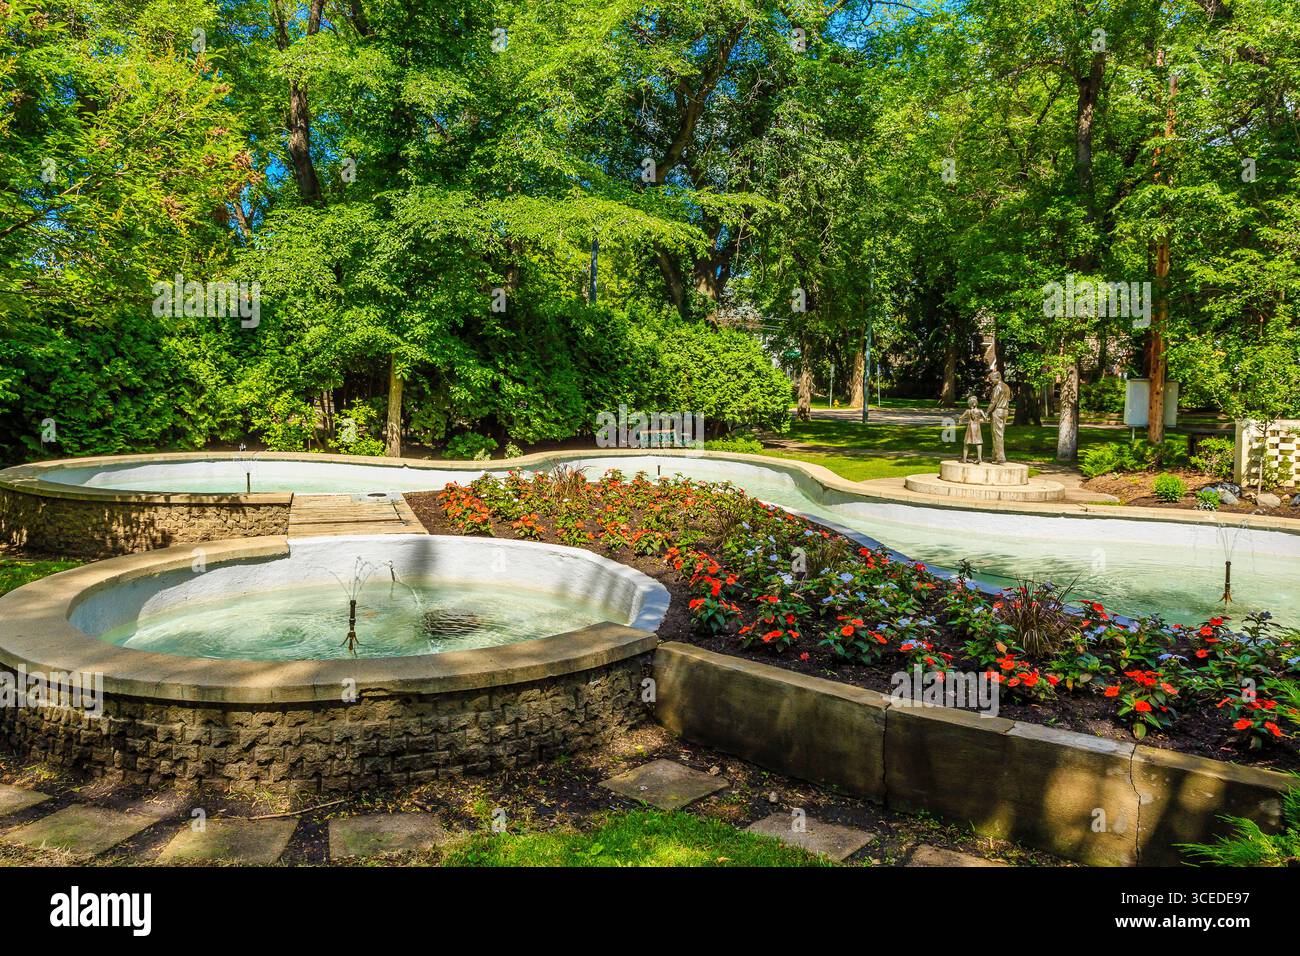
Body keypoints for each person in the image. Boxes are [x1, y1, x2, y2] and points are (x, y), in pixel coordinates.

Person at [986, 370, 1012, 464]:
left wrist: (987, 412)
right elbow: (1009, 399)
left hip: (998, 411)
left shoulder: (998, 387)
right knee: (999, 433)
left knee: (997, 435)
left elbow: (993, 402)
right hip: (1005, 411)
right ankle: (995, 455)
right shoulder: (1006, 387)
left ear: (997, 378)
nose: (990, 381)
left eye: (991, 379)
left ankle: (1000, 457)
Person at [956, 395, 987, 464]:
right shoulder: (980, 411)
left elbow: (961, 418)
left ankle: (964, 459)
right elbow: (985, 419)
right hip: (977, 427)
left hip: (970, 427)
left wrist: (959, 422)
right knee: (979, 442)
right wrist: (981, 420)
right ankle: (979, 458)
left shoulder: (968, 411)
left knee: (966, 443)